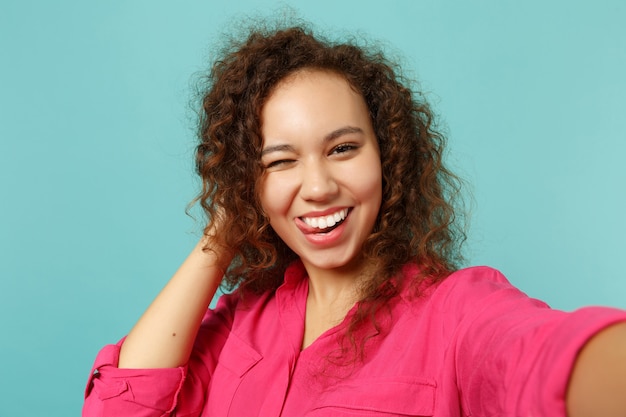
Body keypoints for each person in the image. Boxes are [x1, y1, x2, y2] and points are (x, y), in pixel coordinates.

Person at [83, 24, 626, 417]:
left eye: (342, 148)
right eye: (280, 161)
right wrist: (226, 227)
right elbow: (121, 407)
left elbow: (540, 357)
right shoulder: (240, 321)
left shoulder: (454, 314)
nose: (317, 187)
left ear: (386, 156)